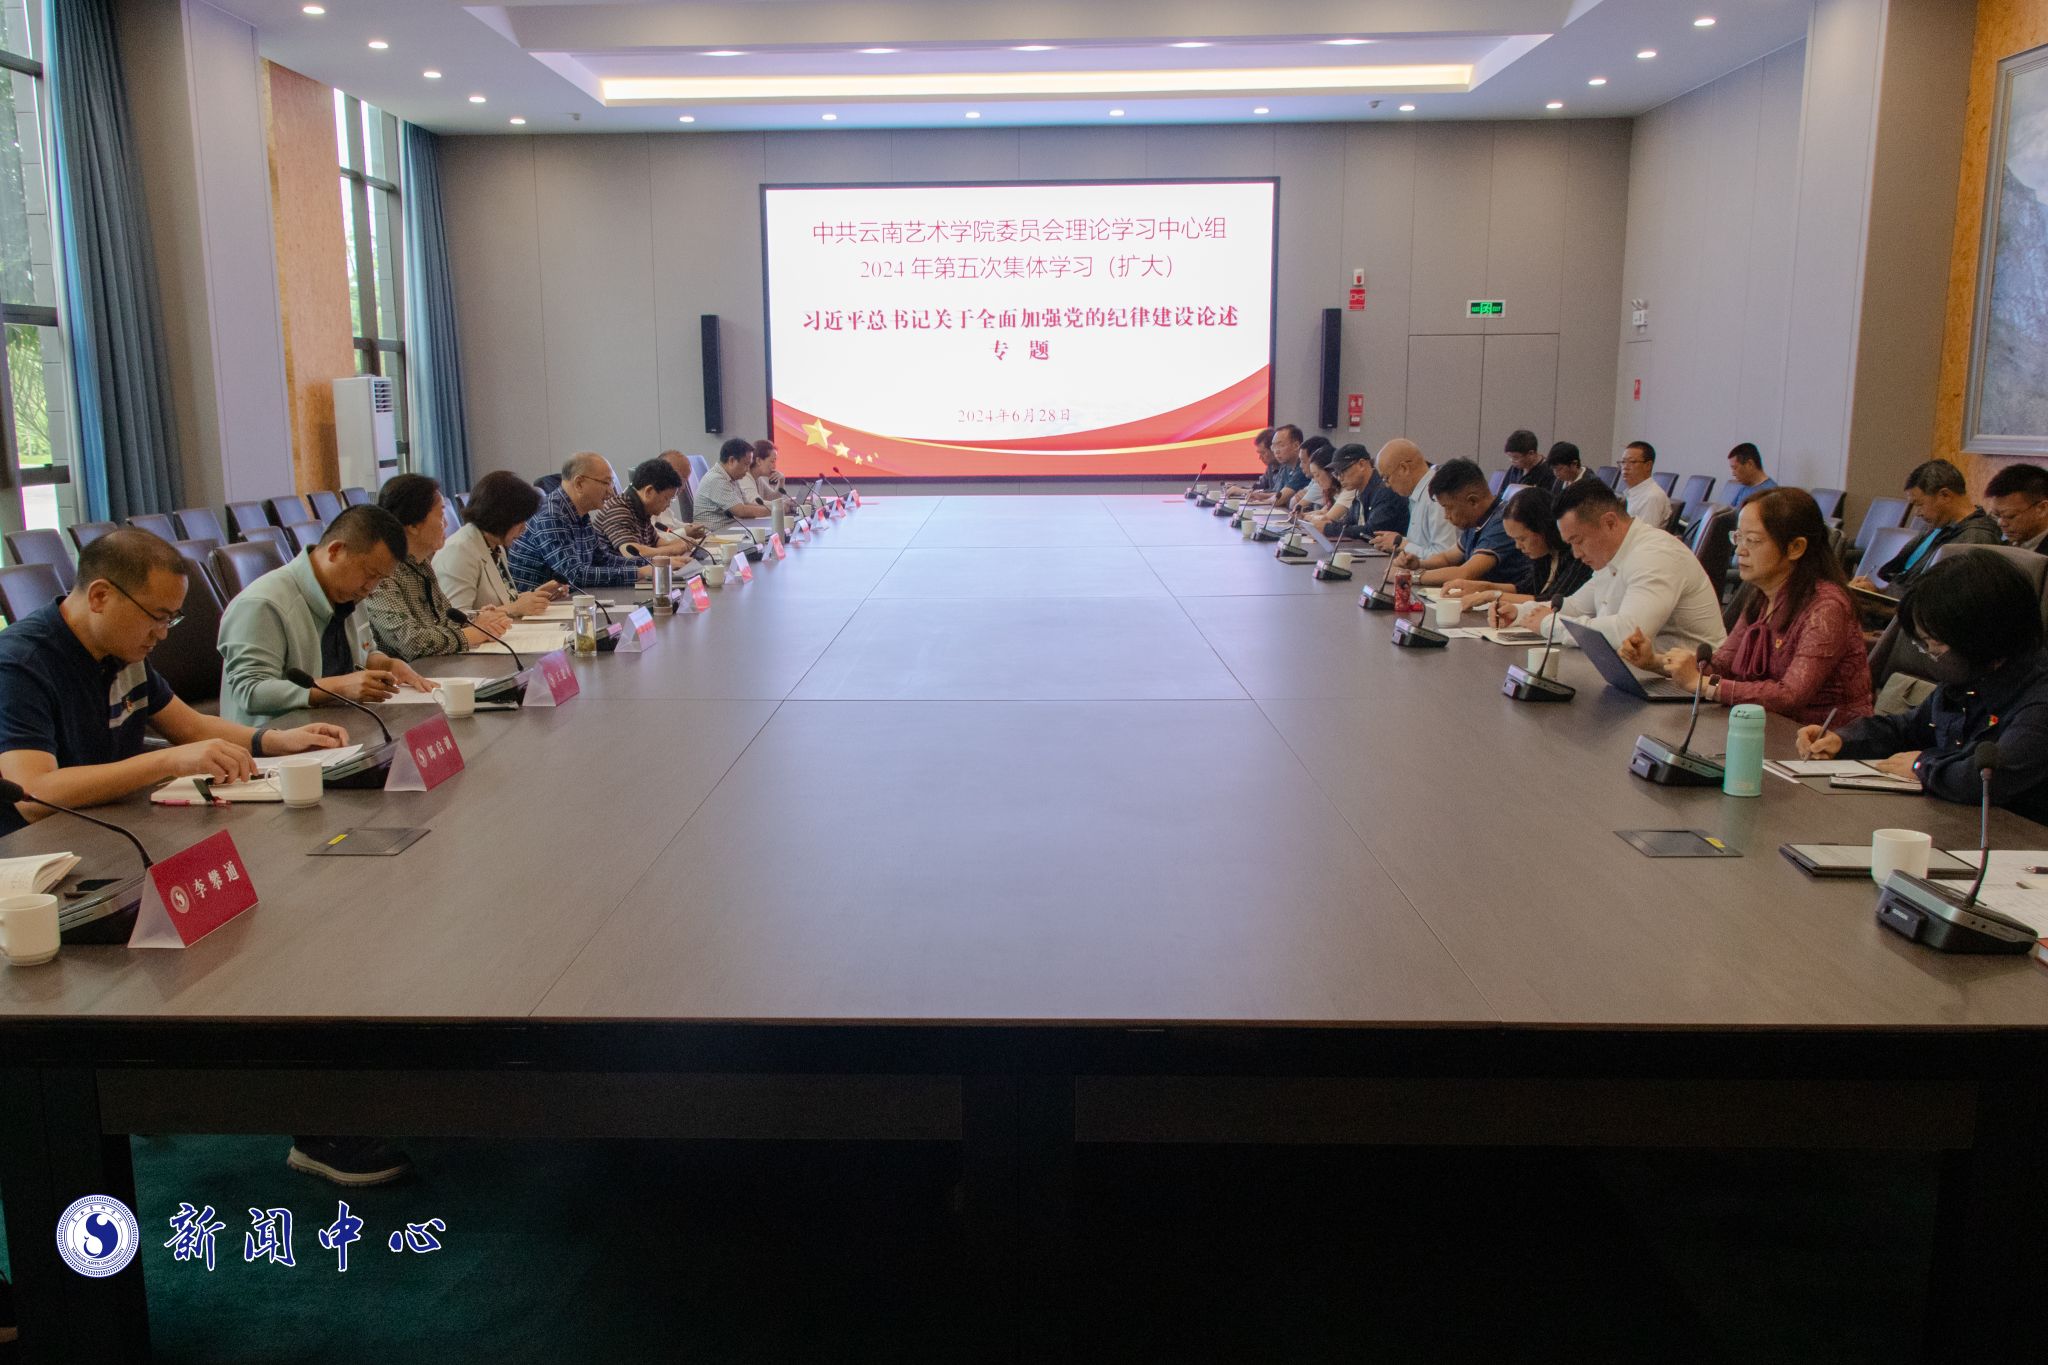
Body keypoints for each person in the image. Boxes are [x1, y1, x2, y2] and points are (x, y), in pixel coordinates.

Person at [0, 529, 346, 835]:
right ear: (100, 596)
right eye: (157, 617)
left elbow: (191, 728)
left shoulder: (120, 650)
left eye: (171, 620)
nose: (162, 634)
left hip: (107, 823)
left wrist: (276, 740)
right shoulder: (19, 665)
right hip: (38, 848)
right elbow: (33, 794)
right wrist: (167, 761)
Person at [1799, 552, 2048, 822]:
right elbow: (1908, 728)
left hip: (2016, 834)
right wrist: (1843, 740)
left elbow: (1989, 778)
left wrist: (1922, 766)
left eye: (1935, 643)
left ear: (1981, 635)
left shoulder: (2038, 696)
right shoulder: (1969, 678)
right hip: (1955, 820)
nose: (1930, 654)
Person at [1620, 488, 1871, 725]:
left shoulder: (1826, 608)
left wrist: (1704, 685)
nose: (1740, 550)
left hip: (1822, 741)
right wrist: (1655, 662)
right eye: (1738, 538)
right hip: (1766, 728)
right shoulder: (1762, 596)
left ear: (1795, 548)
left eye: (1752, 540)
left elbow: (1789, 695)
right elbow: (1721, 666)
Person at [217, 506, 435, 726]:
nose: (371, 588)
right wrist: (339, 688)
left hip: (336, 726)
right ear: (335, 551)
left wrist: (386, 665)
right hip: (273, 737)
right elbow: (250, 691)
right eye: (370, 574)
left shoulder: (351, 593)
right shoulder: (261, 604)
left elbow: (363, 653)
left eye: (380, 579)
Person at [1492, 476, 1727, 655]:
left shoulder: (1654, 555)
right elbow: (1575, 606)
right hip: (1643, 675)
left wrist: (1549, 624)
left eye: (1578, 541)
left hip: (1684, 688)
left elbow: (1629, 633)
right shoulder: (1612, 555)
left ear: (1610, 523)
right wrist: (1520, 613)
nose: (1576, 553)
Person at [362, 475, 516, 661]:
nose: (447, 524)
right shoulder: (383, 572)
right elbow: (409, 642)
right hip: (408, 674)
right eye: (441, 515)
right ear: (413, 525)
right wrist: (473, 633)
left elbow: (443, 618)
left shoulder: (421, 564)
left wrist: (478, 619)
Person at [507, 452, 659, 591]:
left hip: (566, 601)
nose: (611, 491)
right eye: (606, 483)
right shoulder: (551, 515)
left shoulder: (581, 515)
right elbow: (574, 575)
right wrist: (638, 572)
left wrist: (654, 563)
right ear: (579, 483)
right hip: (539, 607)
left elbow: (603, 560)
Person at [1849, 459, 2000, 596]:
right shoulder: (1937, 526)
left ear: (1945, 495)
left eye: (1920, 504)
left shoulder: (1975, 539)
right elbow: (1908, 585)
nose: (1917, 513)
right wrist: (1877, 593)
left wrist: (1881, 607)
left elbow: (1944, 604)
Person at [433, 471, 560, 618]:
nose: (524, 528)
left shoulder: (494, 545)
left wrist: (534, 596)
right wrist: (514, 608)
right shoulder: (459, 551)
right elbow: (455, 619)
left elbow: (500, 601)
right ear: (502, 517)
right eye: (520, 521)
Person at [1441, 486, 1591, 609]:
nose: (1518, 546)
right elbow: (1526, 588)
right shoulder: (1544, 553)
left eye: (1522, 539)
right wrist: (1482, 587)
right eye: (1514, 539)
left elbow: (1551, 601)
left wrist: (1492, 595)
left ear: (1543, 529)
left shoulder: (1578, 554)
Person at [1394, 458, 1530, 588]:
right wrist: (1418, 564)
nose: (1446, 516)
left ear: (1473, 501)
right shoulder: (1477, 521)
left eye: (1448, 508)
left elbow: (1465, 573)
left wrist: (1409, 577)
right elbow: (1447, 558)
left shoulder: (1502, 522)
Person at [594, 458, 704, 559]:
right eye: (667, 498)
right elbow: (632, 553)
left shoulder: (642, 509)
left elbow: (657, 543)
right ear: (649, 491)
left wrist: (681, 543)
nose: (668, 505)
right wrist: (672, 550)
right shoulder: (618, 509)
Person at [1369, 438, 1457, 561]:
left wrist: (1403, 545)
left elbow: (1445, 556)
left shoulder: (1436, 497)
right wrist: (1398, 540)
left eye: (1386, 478)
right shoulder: (1418, 493)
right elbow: (1423, 544)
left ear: (1404, 468)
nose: (1387, 485)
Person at [695, 438, 771, 532]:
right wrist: (773, 511)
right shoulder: (716, 479)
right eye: (746, 464)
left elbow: (745, 504)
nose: (748, 469)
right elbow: (741, 511)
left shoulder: (731, 477)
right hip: (713, 535)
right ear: (731, 460)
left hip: (729, 531)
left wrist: (772, 509)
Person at [1984, 462, 2048, 553]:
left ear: (2042, 509)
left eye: (2010, 516)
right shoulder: (1999, 545)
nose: (2001, 523)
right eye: (1996, 515)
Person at [1244, 425, 1307, 506]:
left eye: (1281, 445)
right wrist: (1261, 496)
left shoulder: (1303, 467)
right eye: (1274, 446)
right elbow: (1278, 493)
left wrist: (1262, 501)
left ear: (1296, 446)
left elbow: (1279, 499)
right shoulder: (1286, 466)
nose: (1276, 451)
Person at [1618, 440, 1673, 530]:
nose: (1625, 467)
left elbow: (1644, 535)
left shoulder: (1652, 497)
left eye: (1632, 462)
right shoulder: (1633, 493)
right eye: (1623, 462)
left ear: (1648, 466)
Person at [1724, 442, 1777, 507]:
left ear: (1749, 464)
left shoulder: (1770, 493)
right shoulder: (1744, 487)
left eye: (1735, 468)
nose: (1733, 473)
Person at [753, 439, 792, 504]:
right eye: (772, 461)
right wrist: (783, 505)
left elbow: (773, 498)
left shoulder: (758, 478)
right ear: (758, 461)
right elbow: (755, 504)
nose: (774, 467)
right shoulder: (745, 478)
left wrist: (782, 480)